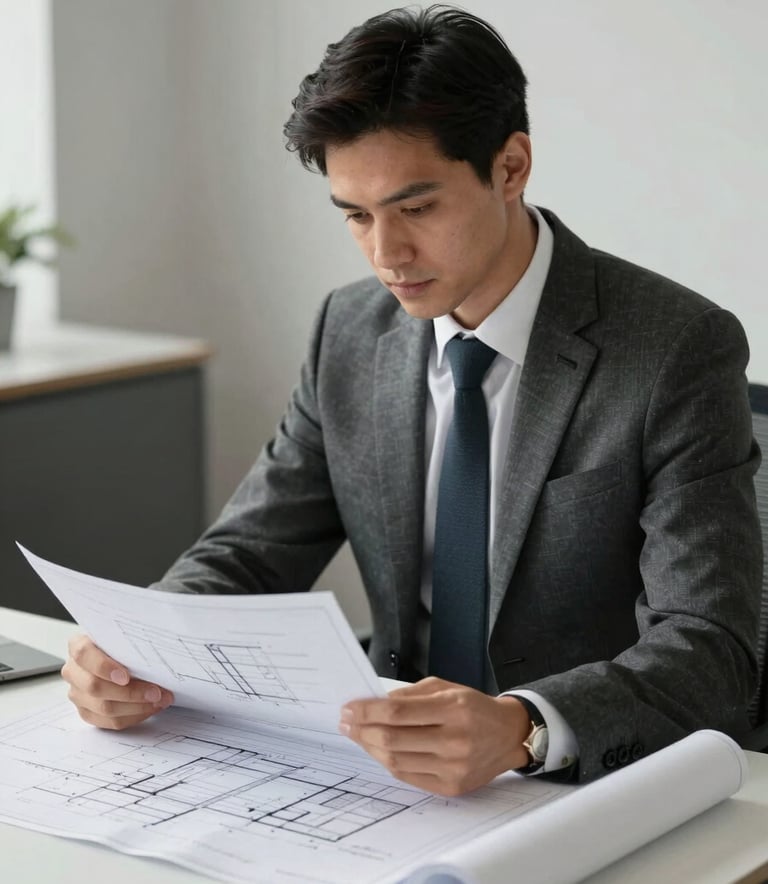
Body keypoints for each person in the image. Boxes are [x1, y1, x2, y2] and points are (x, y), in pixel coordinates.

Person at [61, 5, 762, 796]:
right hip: (380, 778)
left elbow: (712, 647)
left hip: (581, 781)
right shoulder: (348, 331)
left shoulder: (675, 348)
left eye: (416, 208)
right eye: (356, 216)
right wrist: (139, 648)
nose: (386, 255)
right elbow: (249, 552)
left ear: (510, 166)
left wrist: (526, 727)